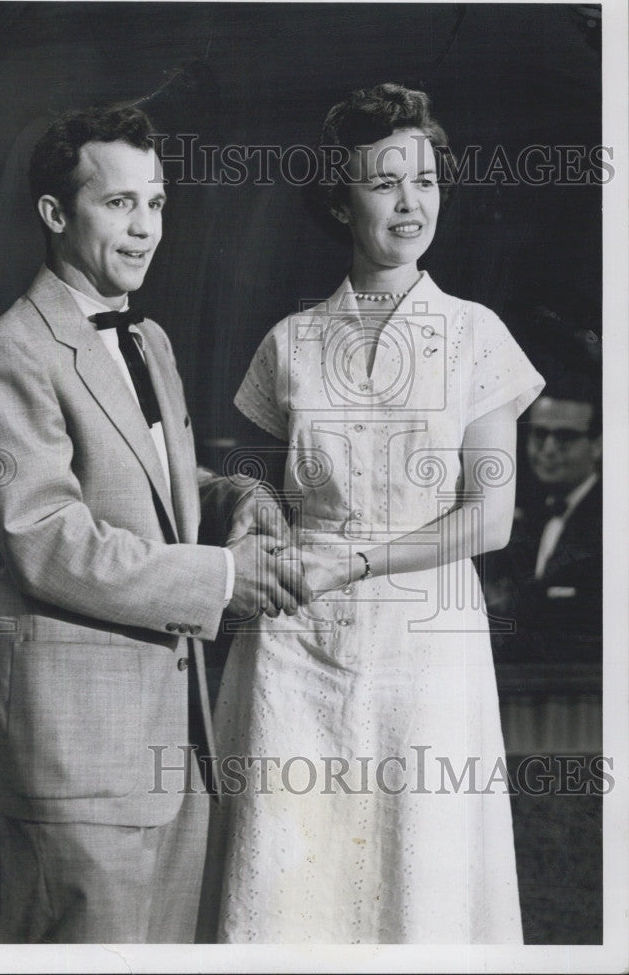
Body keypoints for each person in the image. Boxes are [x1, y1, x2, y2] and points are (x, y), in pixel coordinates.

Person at [0, 102, 308, 944]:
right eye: (119, 204)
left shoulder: (149, 342)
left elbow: (157, 485)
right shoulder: (9, 355)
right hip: (79, 758)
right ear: (54, 213)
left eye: (155, 203)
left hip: (173, 748)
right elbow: (46, 538)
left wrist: (235, 498)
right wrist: (223, 578)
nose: (145, 228)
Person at [207, 84, 545, 943]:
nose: (410, 202)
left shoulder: (475, 335)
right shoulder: (289, 342)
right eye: (384, 182)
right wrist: (256, 510)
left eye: (425, 180)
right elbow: (245, 481)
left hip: (426, 648)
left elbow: (491, 518)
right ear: (337, 199)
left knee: (417, 883)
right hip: (294, 646)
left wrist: (352, 562)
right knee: (288, 887)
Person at [485, 383, 602, 662]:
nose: (548, 449)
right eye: (540, 434)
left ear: (597, 446)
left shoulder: (613, 522)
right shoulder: (528, 518)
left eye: (565, 437)